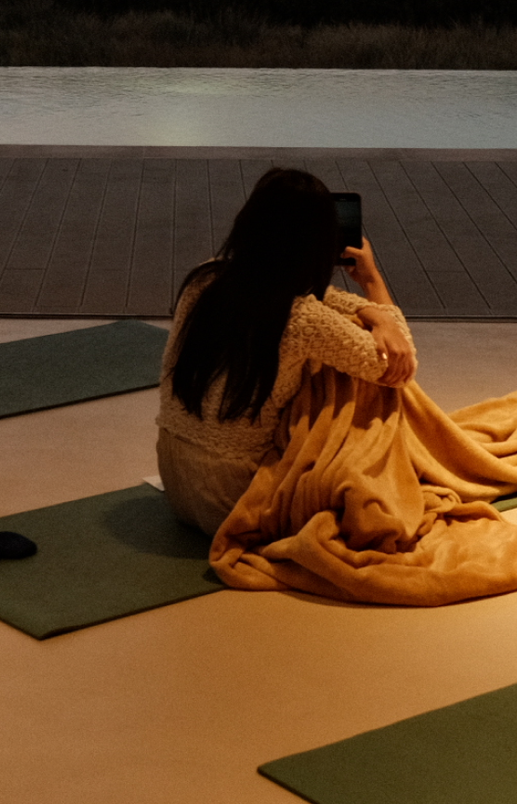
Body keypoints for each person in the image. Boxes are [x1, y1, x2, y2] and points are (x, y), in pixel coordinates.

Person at [157, 168, 419, 533]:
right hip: (234, 498)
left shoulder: (205, 277)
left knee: (353, 335)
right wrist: (373, 283)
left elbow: (307, 294)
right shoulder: (301, 320)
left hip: (176, 480)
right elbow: (399, 364)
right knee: (359, 384)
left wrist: (370, 312)